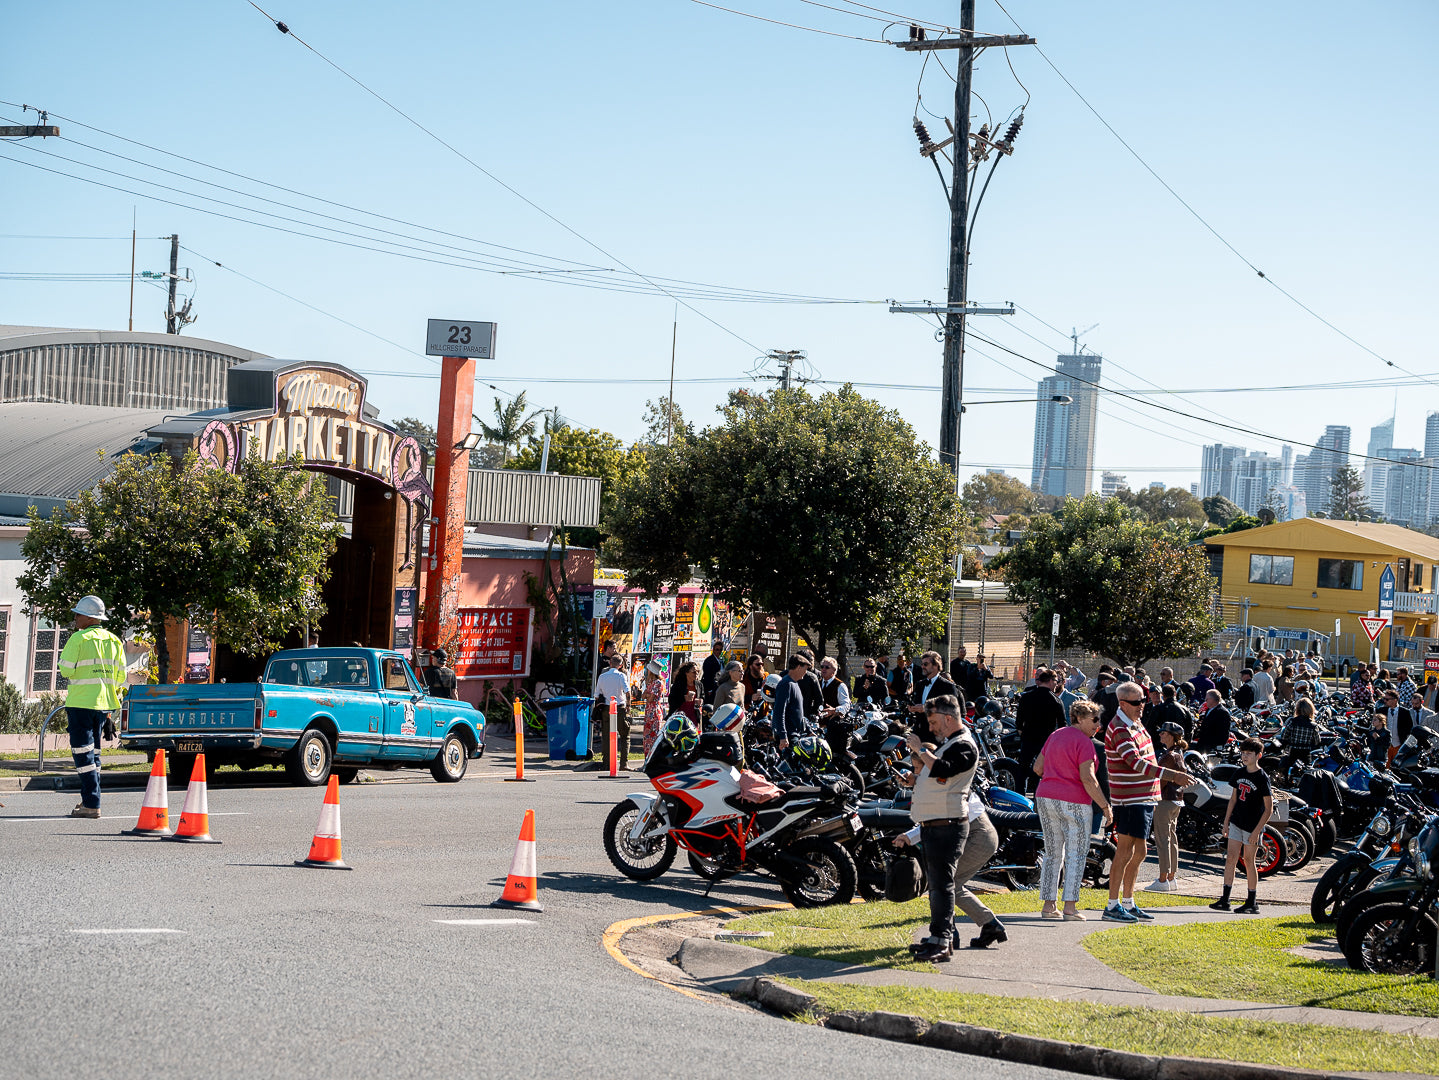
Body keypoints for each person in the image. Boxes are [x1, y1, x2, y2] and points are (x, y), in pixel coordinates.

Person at [1103, 682, 1191, 922]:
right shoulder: (1120, 727)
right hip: (1130, 798)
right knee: (1125, 851)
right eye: (1136, 702)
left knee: (1140, 851)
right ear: (1122, 704)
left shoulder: (1136, 723)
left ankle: (1129, 902)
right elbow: (1135, 763)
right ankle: (1112, 905)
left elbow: (1146, 759)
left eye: (1142, 700)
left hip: (1143, 797)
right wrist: (1173, 775)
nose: (1142, 705)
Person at [903, 694, 980, 963]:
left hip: (947, 826)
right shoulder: (950, 743)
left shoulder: (965, 746)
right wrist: (914, 779)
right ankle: (938, 938)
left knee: (943, 886)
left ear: (949, 718)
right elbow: (940, 778)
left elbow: (944, 769)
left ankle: (943, 940)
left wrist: (920, 749)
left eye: (934, 721)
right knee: (936, 886)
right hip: (936, 824)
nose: (931, 728)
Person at [1032, 700, 1113, 920]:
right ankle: (1070, 907)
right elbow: (1088, 778)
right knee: (1076, 854)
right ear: (1079, 718)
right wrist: (1105, 806)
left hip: (1046, 797)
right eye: (1094, 719)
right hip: (1075, 801)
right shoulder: (1085, 742)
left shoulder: (1055, 734)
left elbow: (1037, 768)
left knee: (1052, 854)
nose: (1098, 724)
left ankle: (1049, 905)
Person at [57, 596, 127, 819]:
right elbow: (121, 676)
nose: (75, 617)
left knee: (82, 753)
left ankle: (91, 803)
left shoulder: (78, 639)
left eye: (78, 614)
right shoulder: (114, 640)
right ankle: (91, 799)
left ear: (89, 617)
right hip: (104, 704)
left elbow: (66, 670)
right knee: (94, 755)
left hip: (81, 703)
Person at [1209, 738, 1274, 914]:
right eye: (1243, 753)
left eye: (1249, 754)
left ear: (1258, 755)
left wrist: (1257, 831)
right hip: (1237, 822)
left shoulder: (1262, 778)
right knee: (1231, 858)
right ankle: (1225, 899)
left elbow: (1268, 809)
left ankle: (1252, 901)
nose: (1245, 757)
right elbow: (1233, 799)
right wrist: (1226, 822)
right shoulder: (1238, 773)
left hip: (1253, 825)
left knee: (1248, 861)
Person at [1146, 723, 1189, 893]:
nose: (1160, 736)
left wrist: (1152, 797)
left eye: (1163, 733)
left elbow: (1160, 780)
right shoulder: (1179, 755)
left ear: (1171, 736)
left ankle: (1163, 879)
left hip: (1164, 800)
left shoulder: (1168, 756)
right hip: (1176, 800)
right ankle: (1171, 877)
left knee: (1162, 840)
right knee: (1171, 839)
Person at [1014, 668, 1066, 791]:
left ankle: (1020, 797)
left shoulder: (1026, 697)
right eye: (1056, 681)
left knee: (1022, 770)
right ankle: (1036, 796)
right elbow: (1063, 725)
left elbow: (1019, 721)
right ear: (1050, 681)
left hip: (1028, 738)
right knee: (1042, 770)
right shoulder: (1056, 701)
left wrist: (1023, 732)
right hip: (1047, 741)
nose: (1057, 684)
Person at [906, 651, 957, 741]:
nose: (923, 667)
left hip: (938, 734)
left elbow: (951, 709)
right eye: (922, 664)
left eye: (926, 664)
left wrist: (926, 708)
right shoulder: (920, 684)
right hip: (919, 732)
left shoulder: (947, 686)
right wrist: (912, 708)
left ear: (936, 665)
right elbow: (917, 703)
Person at [594, 652, 632, 770]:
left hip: (606, 708)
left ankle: (607, 764)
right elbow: (627, 692)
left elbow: (596, 695)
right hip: (619, 707)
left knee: (606, 737)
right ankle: (623, 764)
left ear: (610, 663)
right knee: (625, 735)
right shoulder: (621, 676)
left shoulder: (602, 676)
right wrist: (629, 706)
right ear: (620, 665)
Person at [770, 654, 810, 751]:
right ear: (798, 667)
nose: (806, 672)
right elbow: (779, 712)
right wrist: (783, 736)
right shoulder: (786, 684)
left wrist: (809, 730)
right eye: (805, 669)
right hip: (788, 736)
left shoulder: (794, 684)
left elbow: (798, 712)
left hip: (795, 734)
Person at [817, 657, 852, 762]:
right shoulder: (817, 683)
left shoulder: (840, 685)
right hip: (817, 724)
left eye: (827, 667)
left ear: (834, 670)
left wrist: (835, 710)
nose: (823, 669)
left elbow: (847, 705)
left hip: (832, 727)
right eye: (822, 666)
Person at [1276, 696, 1321, 771]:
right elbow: (1317, 741)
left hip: (1293, 753)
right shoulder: (1313, 726)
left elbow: (1284, 737)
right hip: (1306, 755)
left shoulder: (1292, 722)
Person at [1378, 688, 1413, 766]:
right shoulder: (1381, 711)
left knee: (1397, 768)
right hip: (1385, 745)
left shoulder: (1405, 712)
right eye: (1384, 699)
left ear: (1395, 700)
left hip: (1399, 745)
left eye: (1387, 699)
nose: (1385, 701)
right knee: (1384, 767)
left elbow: (1409, 728)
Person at [641, 660, 668, 758]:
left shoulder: (657, 683)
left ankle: (652, 758)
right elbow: (644, 696)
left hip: (654, 711)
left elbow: (650, 698)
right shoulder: (650, 682)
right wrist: (647, 695)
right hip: (649, 711)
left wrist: (647, 695)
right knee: (647, 737)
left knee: (653, 736)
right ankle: (647, 759)